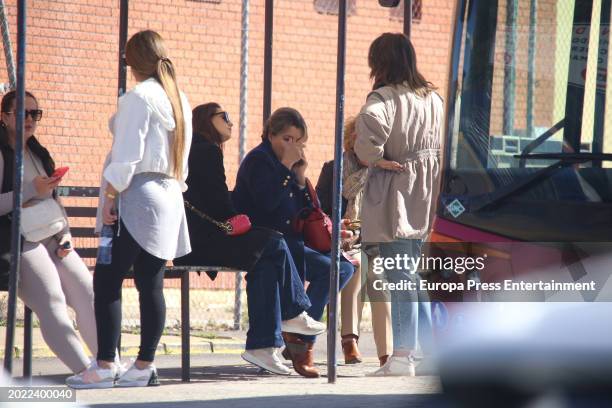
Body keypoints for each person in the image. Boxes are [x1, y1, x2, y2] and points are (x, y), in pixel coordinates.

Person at [67, 30, 192, 388]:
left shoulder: (138, 97)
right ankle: (143, 364)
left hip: (137, 192)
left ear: (132, 63)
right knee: (150, 283)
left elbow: (126, 156)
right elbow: (183, 162)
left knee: (106, 280)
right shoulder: (178, 97)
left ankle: (106, 363)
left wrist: (110, 196)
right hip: (169, 195)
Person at [174, 102, 326, 375]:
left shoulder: (203, 150)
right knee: (274, 243)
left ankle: (263, 347)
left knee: (267, 258)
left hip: (209, 236)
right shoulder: (208, 152)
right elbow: (225, 205)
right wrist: (285, 169)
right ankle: (292, 315)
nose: (231, 122)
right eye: (225, 117)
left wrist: (298, 177)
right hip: (204, 241)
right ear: (206, 120)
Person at [232, 107, 355, 378]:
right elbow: (267, 205)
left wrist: (299, 178)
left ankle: (296, 329)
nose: (293, 146)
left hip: (291, 244)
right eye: (287, 139)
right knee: (271, 270)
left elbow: (310, 210)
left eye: (298, 142)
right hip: (263, 242)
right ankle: (296, 331)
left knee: (340, 269)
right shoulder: (260, 160)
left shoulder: (288, 168)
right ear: (270, 135)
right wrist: (287, 169)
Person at [354, 33, 443, 376]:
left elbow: (367, 131)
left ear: (380, 61)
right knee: (415, 275)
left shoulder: (384, 98)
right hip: (427, 191)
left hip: (396, 191)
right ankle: (431, 353)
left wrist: (376, 158)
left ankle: (403, 354)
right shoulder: (433, 98)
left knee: (400, 274)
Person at [0, 90, 98, 380]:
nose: (30, 119)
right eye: (22, 113)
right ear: (4, 117)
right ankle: (85, 371)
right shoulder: (2, 153)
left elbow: (54, 198)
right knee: (52, 300)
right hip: (17, 239)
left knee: (87, 292)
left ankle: (107, 364)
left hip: (52, 234)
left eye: (35, 113)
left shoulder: (38, 152)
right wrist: (31, 190)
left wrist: (66, 231)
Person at [315, 116, 393, 366]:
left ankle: (386, 353)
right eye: (367, 140)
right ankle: (350, 340)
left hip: (376, 241)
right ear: (353, 140)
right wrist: (340, 228)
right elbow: (321, 211)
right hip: (344, 241)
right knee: (356, 267)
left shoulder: (383, 172)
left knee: (380, 282)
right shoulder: (333, 169)